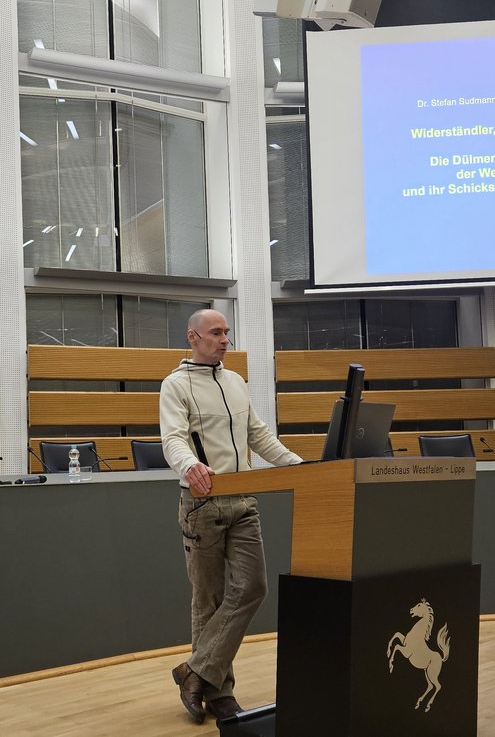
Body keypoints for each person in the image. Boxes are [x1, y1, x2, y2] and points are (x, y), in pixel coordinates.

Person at [159, 308, 302, 723]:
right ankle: (219, 695)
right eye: (216, 333)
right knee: (210, 598)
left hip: (243, 502)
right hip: (201, 504)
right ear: (193, 337)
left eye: (227, 333)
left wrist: (302, 467)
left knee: (253, 587)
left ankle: (194, 671)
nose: (225, 340)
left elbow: (258, 435)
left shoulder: (236, 382)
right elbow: (172, 439)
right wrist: (189, 466)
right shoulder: (175, 385)